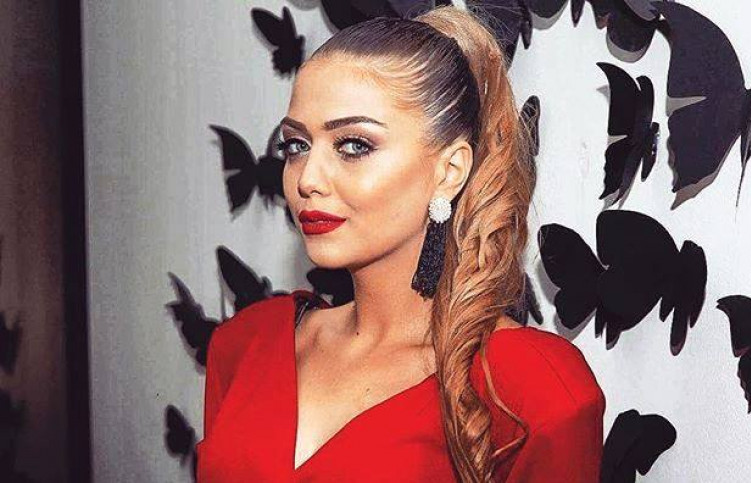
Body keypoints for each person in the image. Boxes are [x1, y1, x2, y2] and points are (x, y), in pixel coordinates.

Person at [196, 5, 605, 482]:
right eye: (296, 146)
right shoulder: (246, 345)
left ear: (449, 171)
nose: (307, 179)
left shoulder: (534, 389)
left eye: (354, 145)